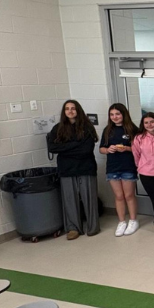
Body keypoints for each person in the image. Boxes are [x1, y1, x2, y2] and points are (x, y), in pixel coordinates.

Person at [47, 99, 100, 240]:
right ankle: (73, 228)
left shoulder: (87, 127)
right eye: (67, 109)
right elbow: (52, 148)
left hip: (86, 167)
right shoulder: (57, 129)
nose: (70, 111)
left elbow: (86, 149)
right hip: (66, 169)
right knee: (70, 200)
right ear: (64, 112)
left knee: (89, 198)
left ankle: (93, 227)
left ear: (78, 110)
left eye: (73, 108)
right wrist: (76, 145)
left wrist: (65, 148)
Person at [98, 103, 139, 237]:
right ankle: (121, 221)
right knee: (119, 196)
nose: (115, 117)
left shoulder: (132, 128)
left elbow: (139, 148)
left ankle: (133, 220)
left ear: (123, 114)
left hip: (128, 166)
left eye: (117, 114)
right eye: (112, 114)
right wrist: (108, 149)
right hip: (112, 167)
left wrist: (126, 148)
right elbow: (101, 149)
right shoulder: (108, 130)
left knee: (129, 195)